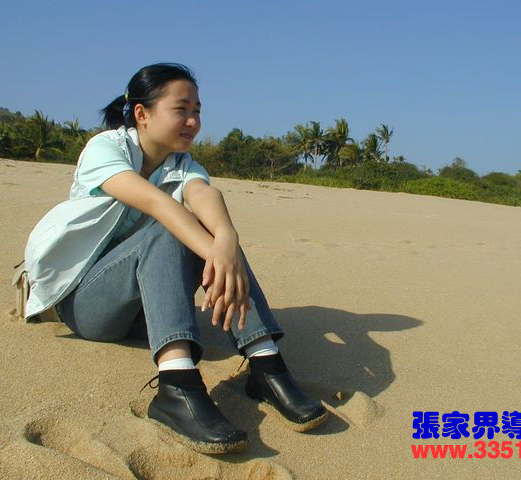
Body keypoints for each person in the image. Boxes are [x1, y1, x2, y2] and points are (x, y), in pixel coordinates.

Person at [23, 63, 327, 454]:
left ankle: (266, 365)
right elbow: (157, 204)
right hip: (85, 305)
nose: (193, 121)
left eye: (197, 111)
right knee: (171, 226)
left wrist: (227, 239)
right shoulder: (107, 148)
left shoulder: (182, 164)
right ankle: (177, 385)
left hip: (145, 314)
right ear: (142, 113)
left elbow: (205, 195)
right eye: (181, 109)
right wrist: (222, 254)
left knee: (213, 236)